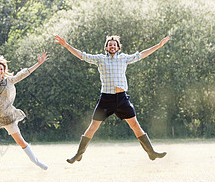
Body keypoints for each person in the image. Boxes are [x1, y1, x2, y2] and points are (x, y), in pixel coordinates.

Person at [54, 34, 170, 163]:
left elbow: (142, 54)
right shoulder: (100, 59)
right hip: (106, 99)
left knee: (135, 125)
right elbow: (82, 55)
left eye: (114, 45)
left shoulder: (124, 58)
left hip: (122, 99)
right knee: (93, 126)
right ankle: (79, 154)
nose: (112, 46)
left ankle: (151, 152)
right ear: (106, 47)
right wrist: (66, 45)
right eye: (110, 45)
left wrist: (159, 45)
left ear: (118, 47)